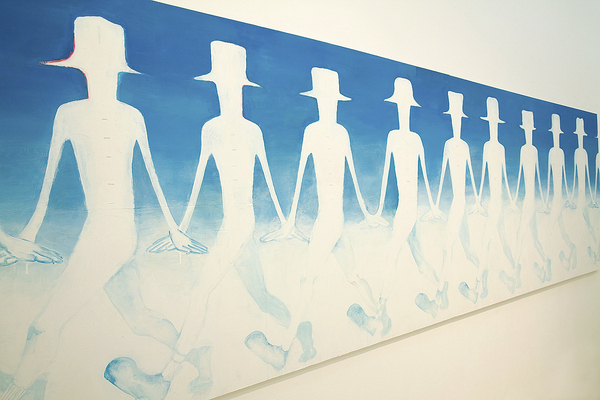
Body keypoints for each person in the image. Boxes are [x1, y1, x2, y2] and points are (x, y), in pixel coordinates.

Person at [0, 17, 204, 400]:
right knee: (138, 318)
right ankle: (196, 363)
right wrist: (26, 236)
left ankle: (17, 389)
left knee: (44, 325)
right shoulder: (70, 114)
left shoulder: (129, 116)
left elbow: (152, 176)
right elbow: (48, 184)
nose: (99, 73)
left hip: (112, 235)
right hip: (106, 231)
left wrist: (175, 229)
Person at [105, 41, 292, 399]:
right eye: (221, 84)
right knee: (262, 295)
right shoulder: (211, 129)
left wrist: (286, 223)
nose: (226, 91)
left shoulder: (252, 131)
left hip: (242, 223)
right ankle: (296, 334)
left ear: (240, 86)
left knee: (201, 293)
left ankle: (166, 377)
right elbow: (197, 183)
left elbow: (268, 181)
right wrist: (180, 228)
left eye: (231, 84)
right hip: (232, 224)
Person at [244, 67, 385, 370]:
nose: (326, 104)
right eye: (325, 99)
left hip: (328, 220)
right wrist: (367, 212)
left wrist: (291, 221)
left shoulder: (318, 132)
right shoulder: (332, 133)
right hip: (336, 219)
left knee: (306, 280)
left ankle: (283, 349)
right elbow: (316, 179)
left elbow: (318, 177)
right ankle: (376, 317)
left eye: (327, 99)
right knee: (352, 275)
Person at [350, 77, 439, 336]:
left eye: (404, 104)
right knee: (418, 257)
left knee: (392, 254)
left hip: (409, 209)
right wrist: (377, 211)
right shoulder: (394, 137)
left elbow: (423, 177)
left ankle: (382, 310)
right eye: (400, 104)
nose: (402, 109)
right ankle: (439, 290)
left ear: (409, 107)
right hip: (405, 208)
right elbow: (387, 174)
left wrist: (433, 206)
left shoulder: (414, 139)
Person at [416, 91, 482, 317]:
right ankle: (479, 283)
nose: (456, 122)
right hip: (458, 203)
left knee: (448, 249)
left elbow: (470, 176)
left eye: (457, 118)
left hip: (459, 204)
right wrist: (435, 205)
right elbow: (444, 175)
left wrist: (477, 201)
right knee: (467, 249)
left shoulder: (461, 146)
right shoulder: (450, 145)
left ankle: (438, 298)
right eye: (453, 117)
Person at [459, 97, 516, 302]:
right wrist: (478, 200)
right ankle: (513, 276)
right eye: (491, 122)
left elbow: (504, 177)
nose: (492, 126)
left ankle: (477, 286)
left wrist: (511, 200)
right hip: (493, 202)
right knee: (500, 241)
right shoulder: (490, 147)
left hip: (496, 202)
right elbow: (483, 176)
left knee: (486, 243)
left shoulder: (499, 148)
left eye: (494, 122)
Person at [499, 110, 549, 290]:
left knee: (520, 236)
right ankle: (545, 266)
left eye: (528, 128)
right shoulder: (530, 150)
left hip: (530, 200)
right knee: (534, 237)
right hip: (530, 199)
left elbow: (534, 177)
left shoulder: (529, 150)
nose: (528, 131)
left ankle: (514, 275)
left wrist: (543, 199)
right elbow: (525, 176)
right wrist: (514, 200)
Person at [543, 114, 576, 275]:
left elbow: (563, 176)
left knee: (549, 231)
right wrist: (547, 200)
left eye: (557, 133)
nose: (556, 135)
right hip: (557, 198)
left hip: (559, 198)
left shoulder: (559, 153)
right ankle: (572, 249)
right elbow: (550, 178)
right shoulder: (553, 152)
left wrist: (568, 196)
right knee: (562, 230)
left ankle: (545, 265)